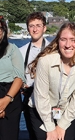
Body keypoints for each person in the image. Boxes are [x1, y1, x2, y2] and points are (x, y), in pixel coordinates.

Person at [27, 22, 75, 140]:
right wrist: (50, 128)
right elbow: (41, 97)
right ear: (58, 41)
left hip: (66, 111)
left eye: (72, 39)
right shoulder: (46, 61)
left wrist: (61, 126)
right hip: (40, 110)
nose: (68, 45)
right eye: (63, 39)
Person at [19, 12, 51, 140]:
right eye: (31, 26)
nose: (35, 29)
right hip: (29, 97)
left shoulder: (52, 49)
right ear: (28, 29)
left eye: (38, 25)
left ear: (44, 28)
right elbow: (18, 74)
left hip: (49, 98)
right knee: (33, 134)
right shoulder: (21, 51)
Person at [0, 15, 26, 140]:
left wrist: (6, 100)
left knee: (8, 135)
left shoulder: (12, 49)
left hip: (9, 94)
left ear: (3, 30)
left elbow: (19, 76)